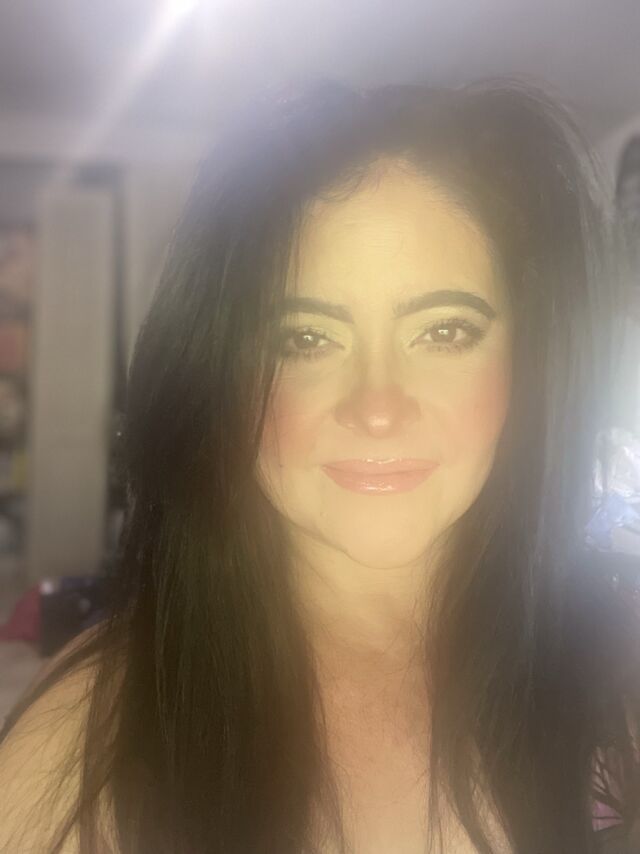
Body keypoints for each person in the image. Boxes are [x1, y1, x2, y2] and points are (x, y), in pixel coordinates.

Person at [0, 77, 638, 854]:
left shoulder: (613, 680)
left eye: (444, 332)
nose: (377, 407)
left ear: (531, 360)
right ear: (222, 381)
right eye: (305, 339)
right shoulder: (83, 745)